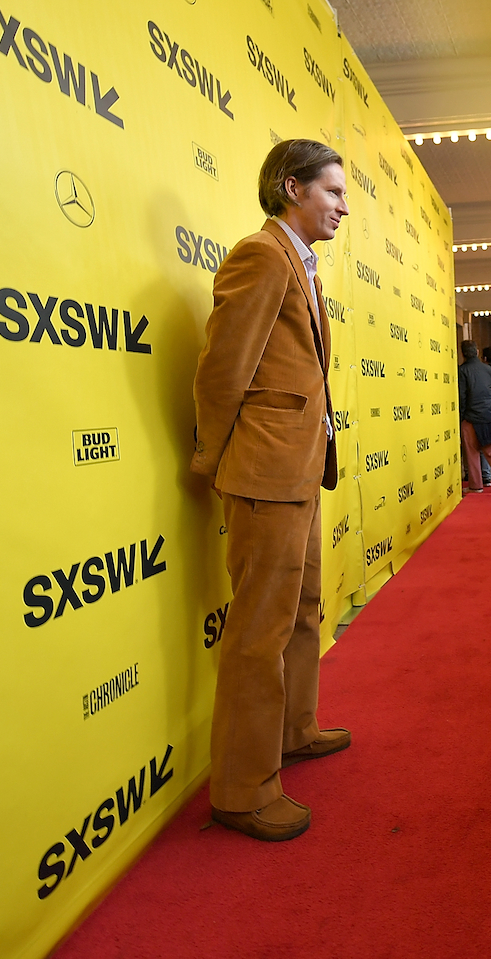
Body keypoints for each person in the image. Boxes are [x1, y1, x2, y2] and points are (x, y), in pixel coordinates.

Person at [190, 139, 353, 842]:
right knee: (259, 633)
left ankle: (294, 729)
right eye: (332, 191)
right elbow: (223, 368)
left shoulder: (301, 262)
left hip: (298, 470)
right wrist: (211, 458)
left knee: (304, 609)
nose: (344, 205)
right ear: (292, 187)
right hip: (263, 471)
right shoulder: (261, 254)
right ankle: (241, 788)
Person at [457, 340, 491, 493]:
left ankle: (476, 485)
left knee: (472, 452)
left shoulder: (462, 370)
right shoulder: (488, 370)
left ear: (462, 354)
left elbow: (462, 396)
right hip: (490, 415)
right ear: (478, 352)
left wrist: (461, 417)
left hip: (471, 417)